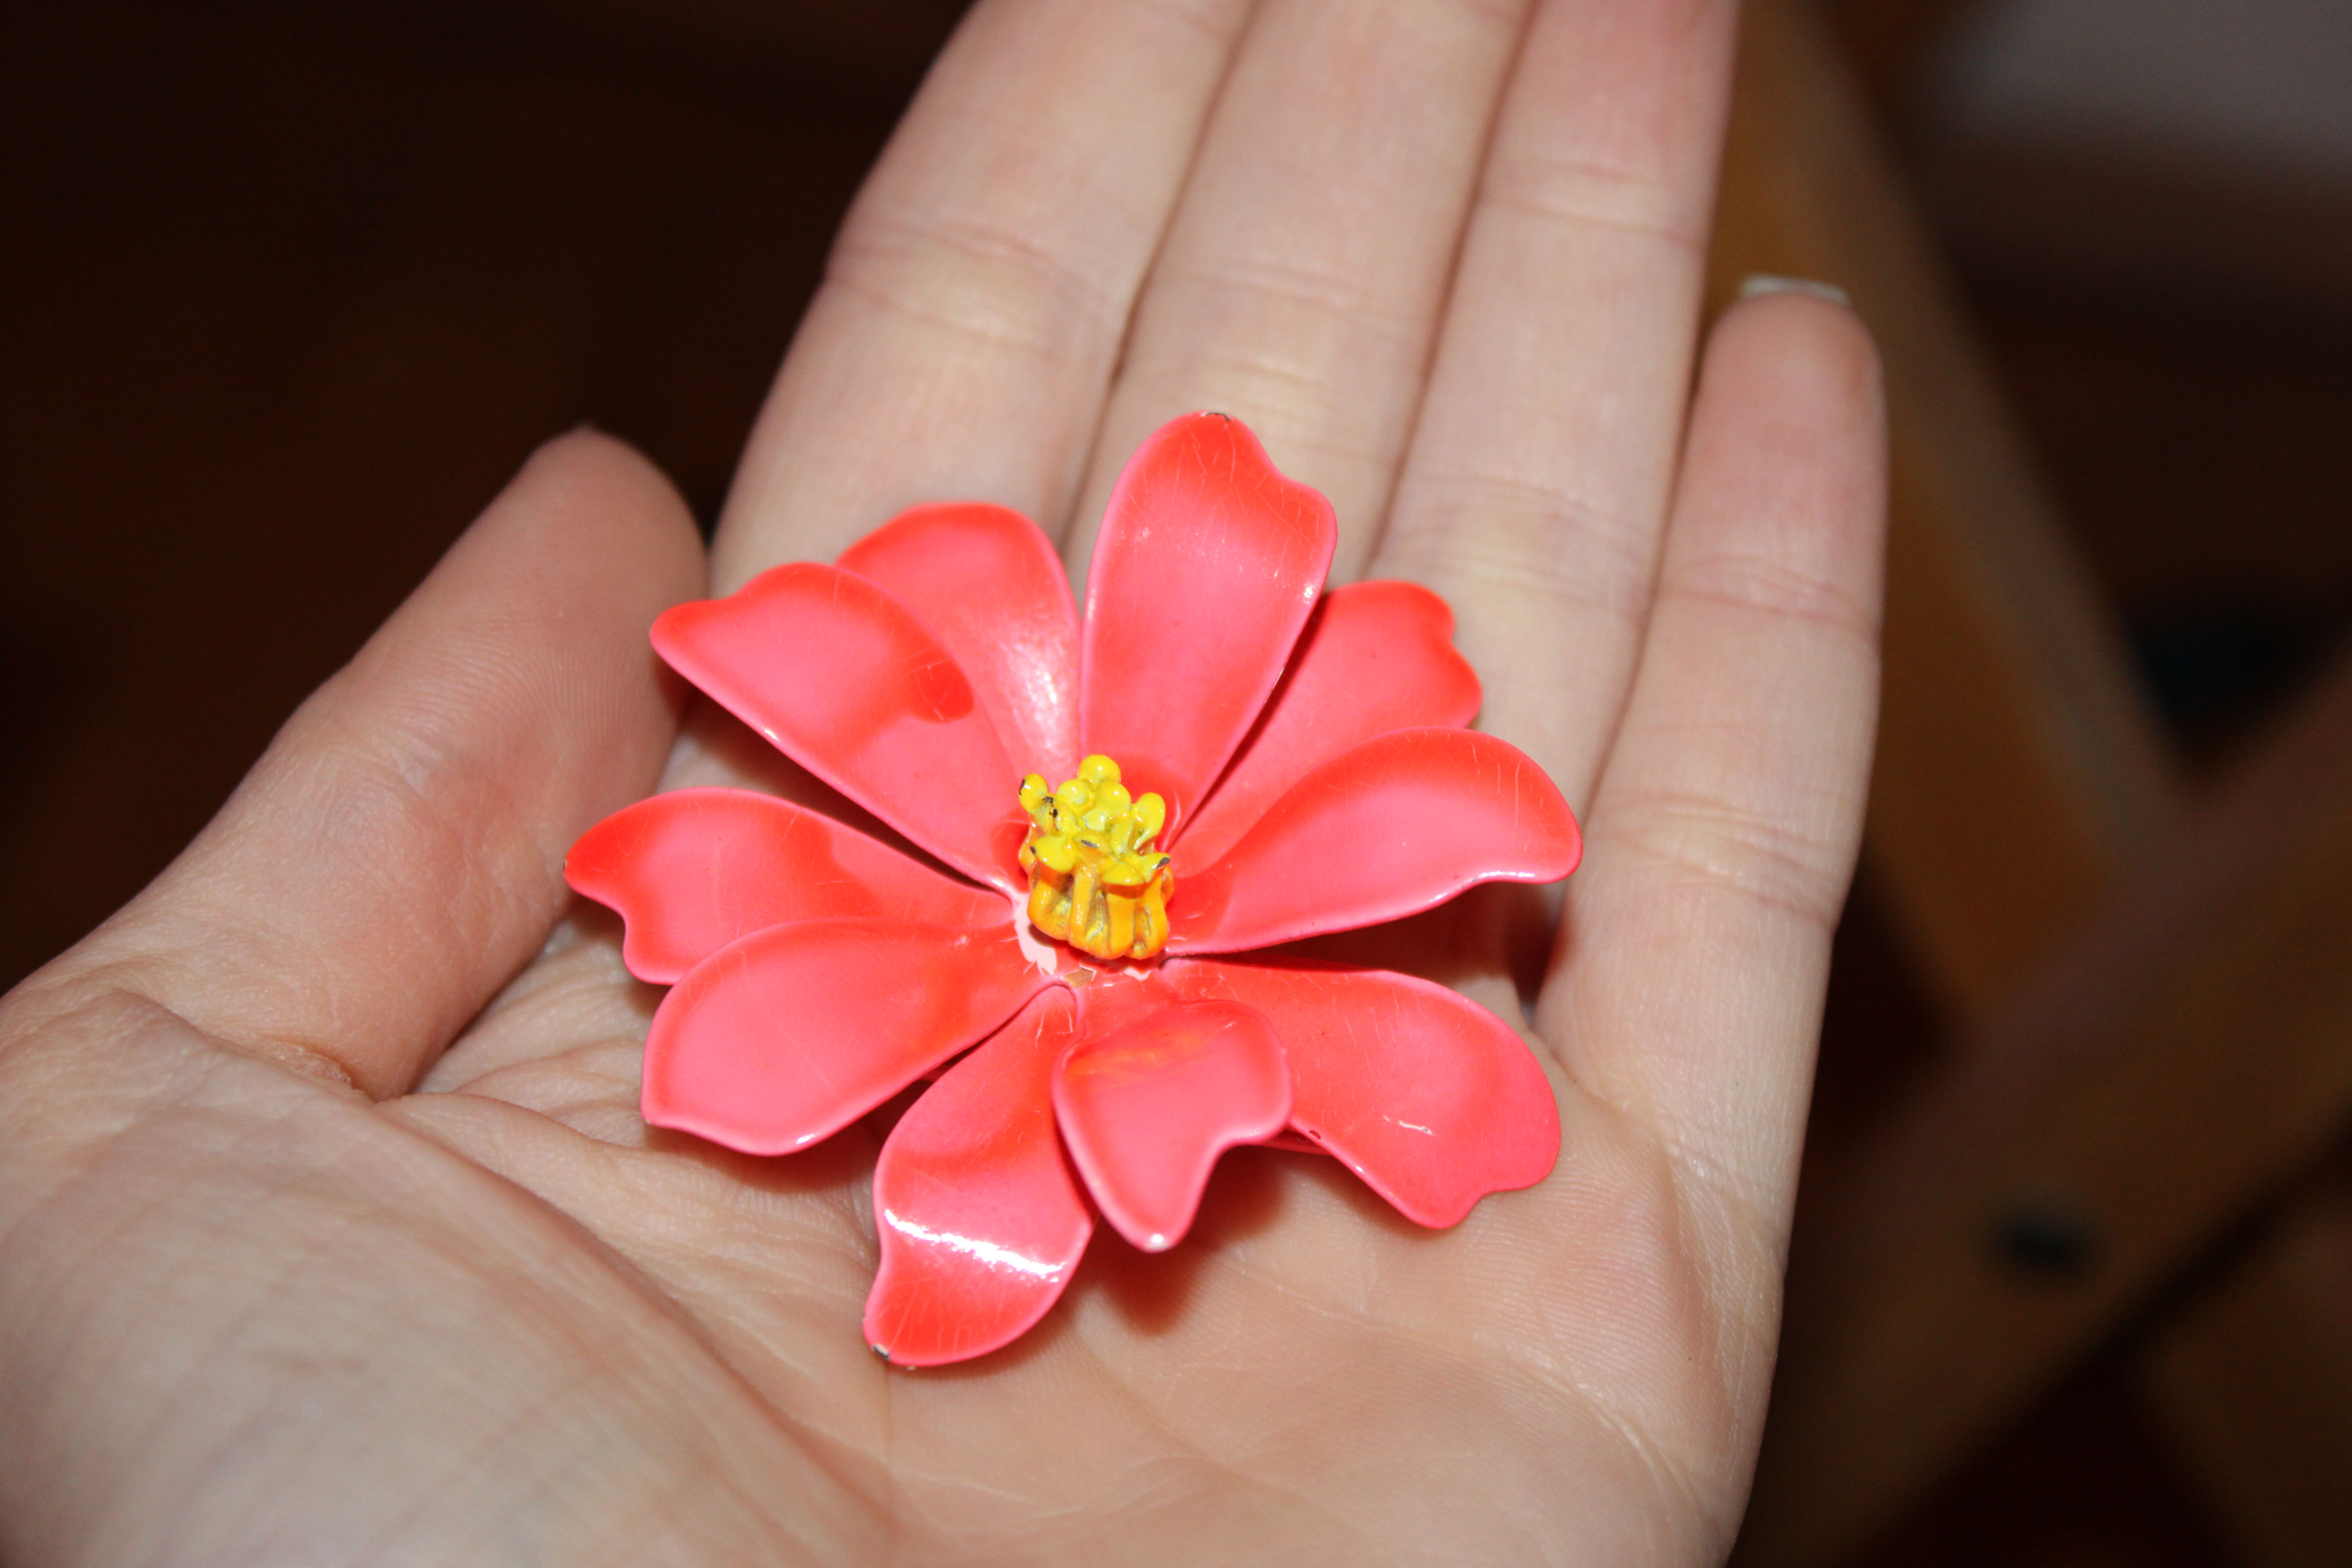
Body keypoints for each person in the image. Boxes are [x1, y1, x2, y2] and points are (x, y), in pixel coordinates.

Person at [0, 0, 1884, 1560]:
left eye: (1108, 853)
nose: (1095, 855)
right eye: (1087, 846)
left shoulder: (1312, 774)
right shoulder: (920, 753)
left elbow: (1396, 761)